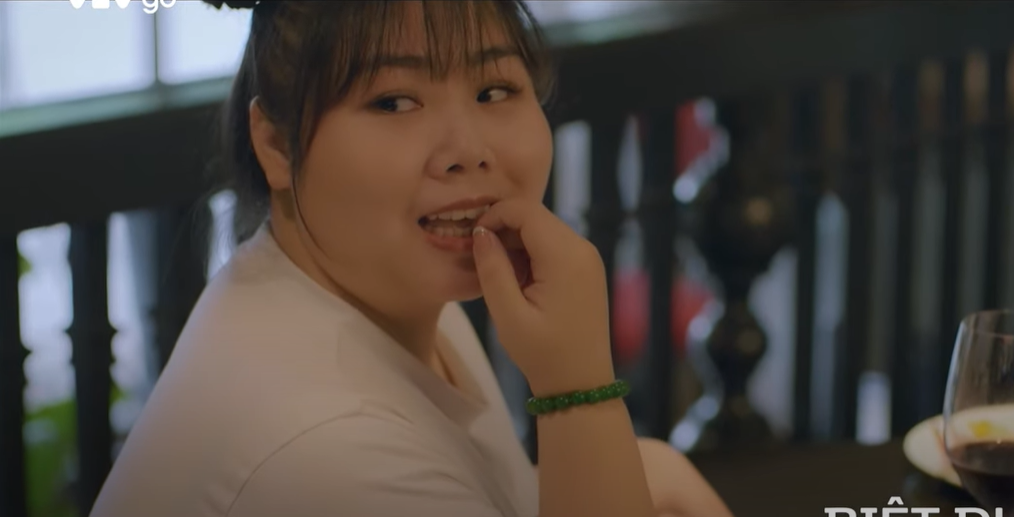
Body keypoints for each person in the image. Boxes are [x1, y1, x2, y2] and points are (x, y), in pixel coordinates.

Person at [88, 1, 733, 517]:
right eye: (394, 102)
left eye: (494, 90)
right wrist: (577, 387)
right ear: (277, 144)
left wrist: (661, 471)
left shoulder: (381, 283)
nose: (468, 150)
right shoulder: (326, 453)